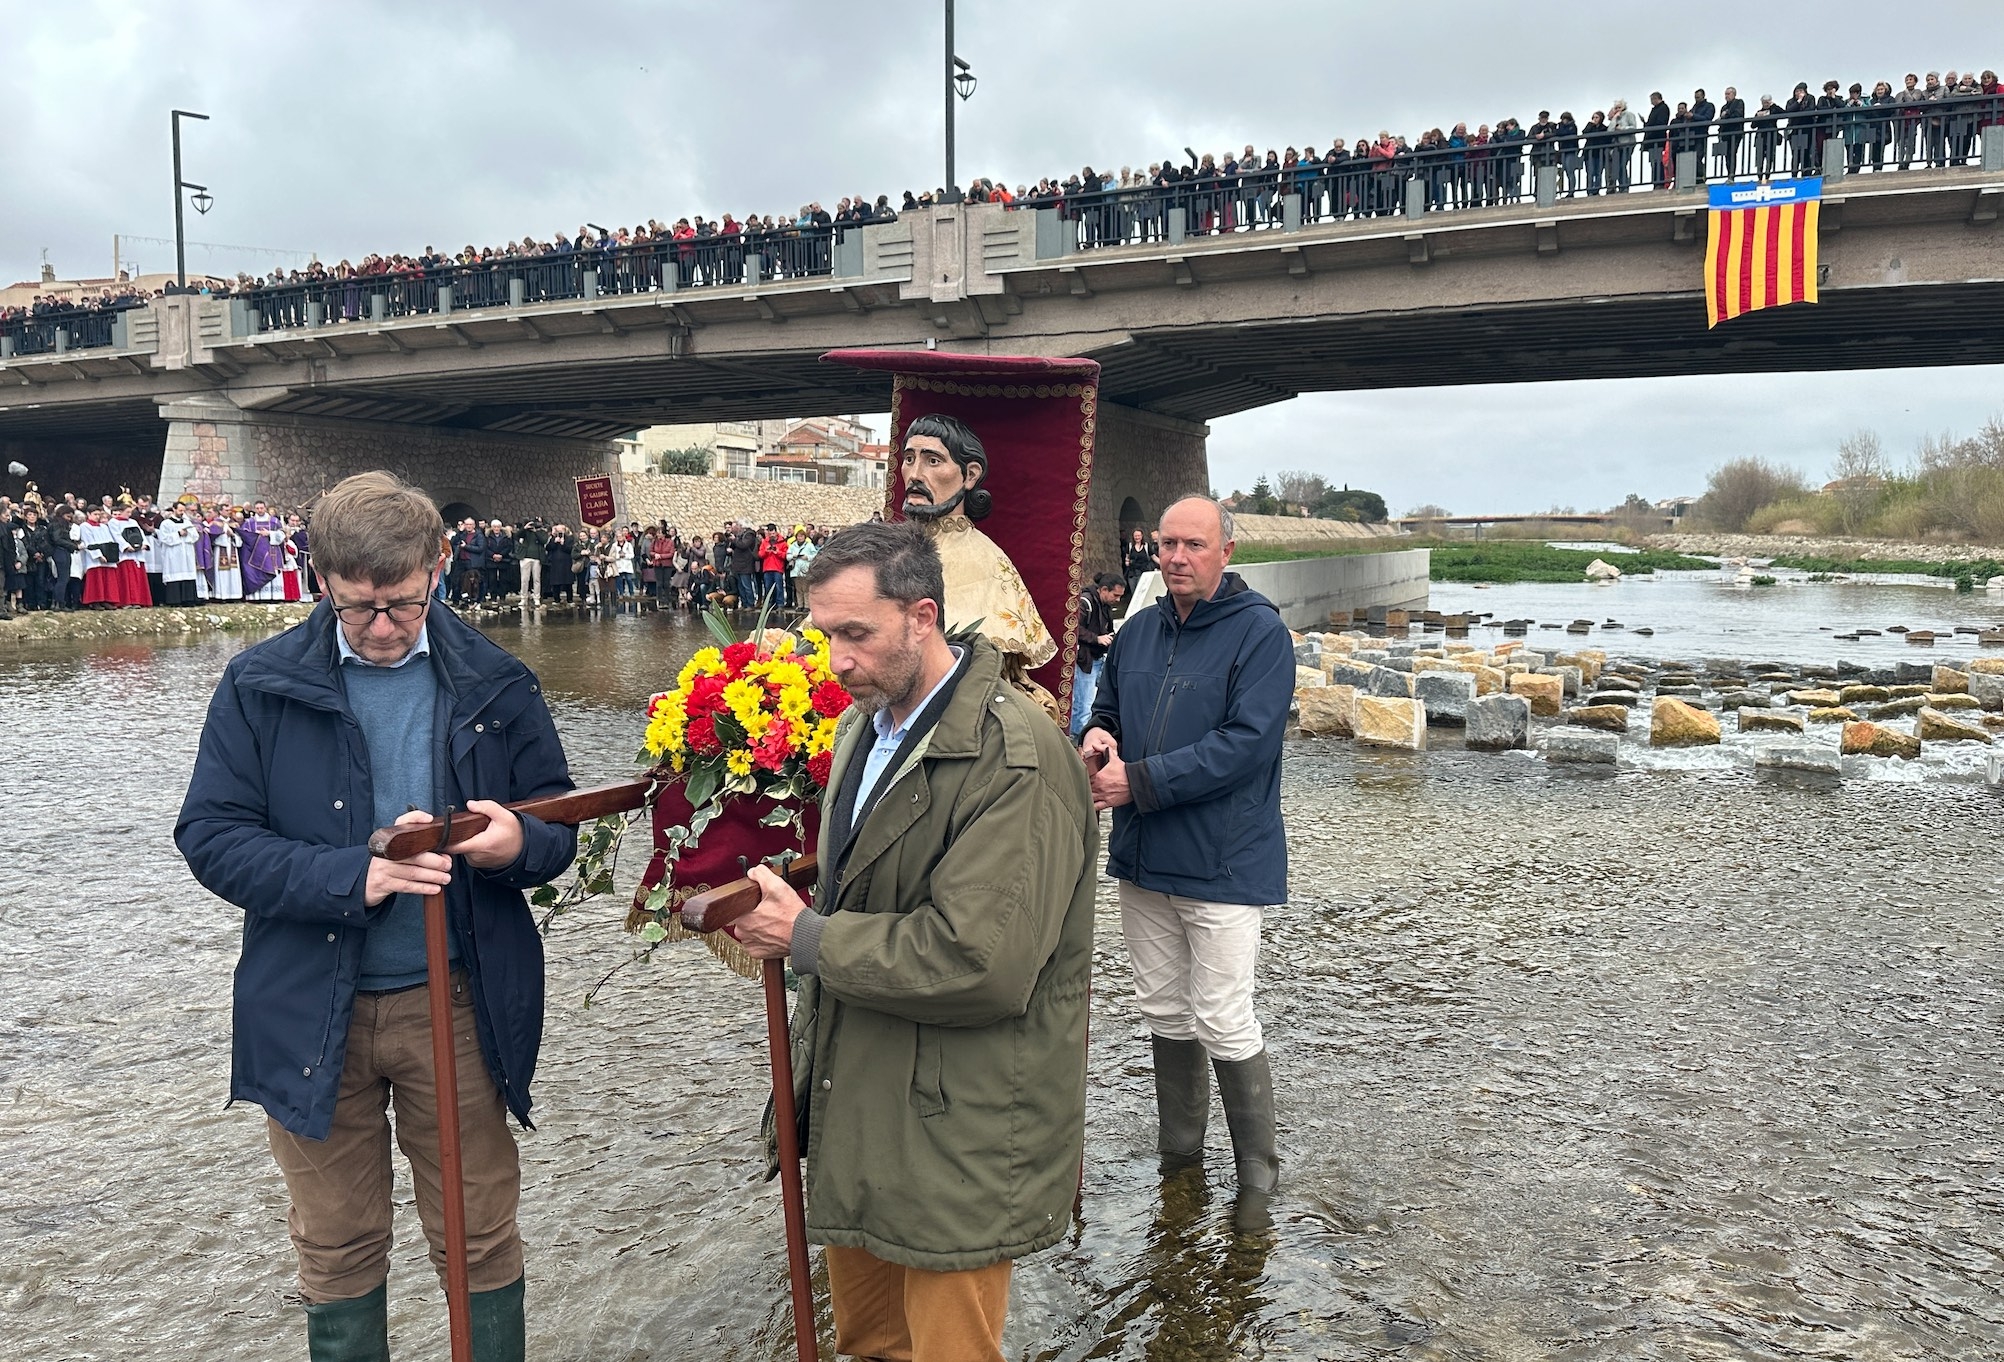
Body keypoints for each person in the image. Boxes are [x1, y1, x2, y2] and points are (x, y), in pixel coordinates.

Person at [175, 471, 576, 1362]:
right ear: (321, 579)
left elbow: (555, 822)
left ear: (439, 565)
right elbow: (209, 838)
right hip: (313, 1004)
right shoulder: (260, 683)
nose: (385, 627)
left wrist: (518, 846)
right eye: (360, 609)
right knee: (338, 1245)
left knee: (477, 1236)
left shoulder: (498, 680)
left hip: (461, 1002)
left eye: (402, 602)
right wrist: (351, 877)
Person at [733, 520, 1097, 1362]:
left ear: (923, 616)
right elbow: (874, 880)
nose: (835, 662)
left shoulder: (1016, 761)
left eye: (856, 634)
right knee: (872, 1343)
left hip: (958, 1122)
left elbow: (981, 962)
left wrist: (809, 935)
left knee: (950, 1352)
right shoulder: (867, 725)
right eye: (823, 636)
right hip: (862, 1095)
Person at [1079, 496, 1293, 1233]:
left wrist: (1136, 781)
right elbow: (1105, 708)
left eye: (1193, 545)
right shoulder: (1135, 633)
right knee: (1165, 1010)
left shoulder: (1260, 633)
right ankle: (1181, 1156)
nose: (1176, 557)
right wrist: (1098, 741)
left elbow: (1247, 744)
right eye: (1166, 544)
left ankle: (1258, 1179)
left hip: (1224, 860)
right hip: (1144, 856)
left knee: (1223, 1015)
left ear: (1226, 551)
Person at [1068, 571, 1124, 739]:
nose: (1118, 600)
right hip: (1086, 660)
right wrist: (1097, 639)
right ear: (1104, 590)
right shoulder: (1085, 602)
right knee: (1083, 705)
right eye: (1116, 595)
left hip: (1098, 659)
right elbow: (1073, 628)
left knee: (1091, 703)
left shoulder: (1104, 605)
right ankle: (1078, 741)